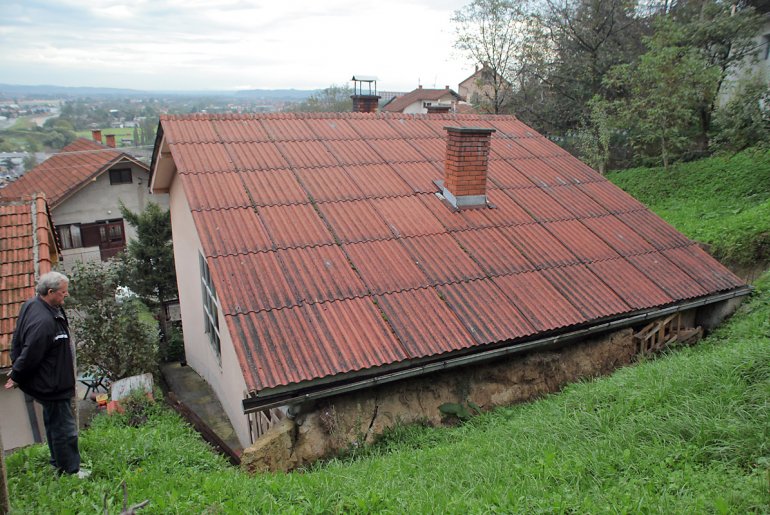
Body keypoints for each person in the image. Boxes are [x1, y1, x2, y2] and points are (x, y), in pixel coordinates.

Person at [4, 271, 85, 477]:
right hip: (53, 385)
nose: (66, 296)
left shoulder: (33, 304)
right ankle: (70, 471)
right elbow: (30, 351)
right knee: (65, 430)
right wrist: (17, 375)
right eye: (63, 292)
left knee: (53, 425)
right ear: (50, 292)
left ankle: (58, 464)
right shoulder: (44, 322)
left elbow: (17, 340)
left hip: (52, 381)